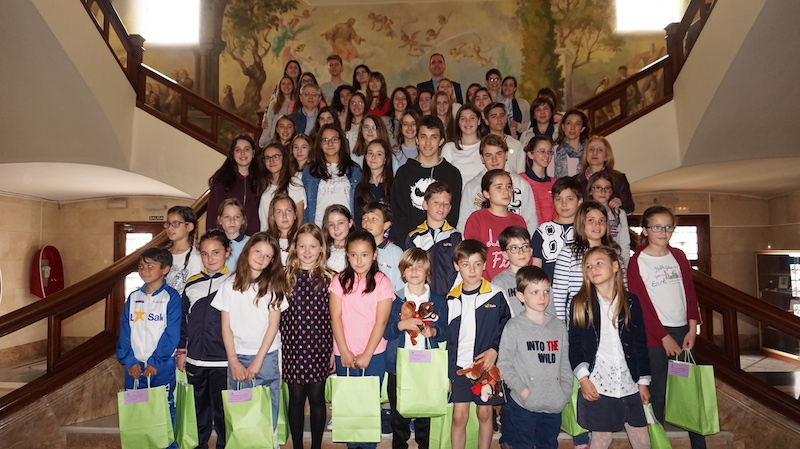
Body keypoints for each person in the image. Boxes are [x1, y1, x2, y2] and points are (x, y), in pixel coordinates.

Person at [626, 206, 706, 449]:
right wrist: (663, 337)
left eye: (668, 226)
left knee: (687, 390)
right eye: (656, 227)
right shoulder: (637, 260)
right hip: (654, 338)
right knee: (657, 394)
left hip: (683, 334)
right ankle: (658, 444)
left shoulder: (679, 256)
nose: (663, 232)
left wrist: (692, 329)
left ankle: (698, 444)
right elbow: (641, 307)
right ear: (646, 230)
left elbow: (689, 295)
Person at [569, 246, 651, 449]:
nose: (593, 269)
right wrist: (583, 379)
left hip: (629, 381)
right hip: (598, 382)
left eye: (599, 263)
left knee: (642, 439)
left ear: (615, 266)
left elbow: (640, 343)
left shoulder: (631, 302)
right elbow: (575, 345)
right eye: (588, 266)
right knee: (601, 439)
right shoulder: (581, 303)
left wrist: (643, 381)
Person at [212, 232, 289, 429]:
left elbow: (273, 326)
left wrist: (258, 360)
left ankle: (268, 441)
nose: (261, 258)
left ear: (272, 261)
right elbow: (226, 326)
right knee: (240, 409)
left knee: (267, 407)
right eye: (257, 251)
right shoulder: (230, 284)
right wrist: (233, 361)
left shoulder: (274, 286)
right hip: (237, 356)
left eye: (267, 256)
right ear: (247, 251)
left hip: (267, 355)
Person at [329, 230, 394, 449]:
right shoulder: (339, 281)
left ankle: (368, 446)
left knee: (367, 404)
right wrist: (344, 351)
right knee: (348, 403)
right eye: (354, 255)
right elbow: (335, 317)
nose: (359, 260)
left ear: (374, 255)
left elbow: (381, 322)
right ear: (347, 256)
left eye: (364, 255)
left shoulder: (382, 282)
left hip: (373, 354)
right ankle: (351, 445)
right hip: (344, 353)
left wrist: (367, 353)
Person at [497, 266, 572, 449]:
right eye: (535, 292)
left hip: (554, 404)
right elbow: (504, 364)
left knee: (548, 444)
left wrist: (564, 393)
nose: (542, 297)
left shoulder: (559, 327)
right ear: (521, 296)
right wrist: (523, 390)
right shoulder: (513, 327)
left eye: (546, 291)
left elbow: (564, 364)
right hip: (523, 405)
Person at [447, 239, 510, 449]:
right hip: (460, 369)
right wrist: (448, 374)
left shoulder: (496, 294)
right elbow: (449, 341)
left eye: (477, 263)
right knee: (458, 416)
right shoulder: (451, 298)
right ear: (457, 266)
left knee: (485, 414)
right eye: (465, 264)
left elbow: (507, 328)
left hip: (486, 368)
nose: (471, 269)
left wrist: (495, 351)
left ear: (484, 264)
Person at [117, 247, 181, 449]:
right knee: (137, 410)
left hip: (161, 366)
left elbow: (172, 333)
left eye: (150, 266)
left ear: (165, 269)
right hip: (134, 367)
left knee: (162, 409)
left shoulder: (172, 298)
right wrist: (129, 360)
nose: (144, 270)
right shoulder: (134, 297)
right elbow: (125, 330)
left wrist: (156, 361)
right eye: (141, 266)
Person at [383, 248, 447, 449]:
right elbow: (386, 332)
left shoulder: (438, 300)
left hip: (426, 365)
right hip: (399, 366)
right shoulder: (395, 299)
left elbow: (445, 331)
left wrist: (433, 332)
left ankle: (424, 445)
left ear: (427, 270)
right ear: (402, 272)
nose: (414, 270)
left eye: (419, 266)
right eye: (409, 266)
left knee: (425, 413)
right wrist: (401, 325)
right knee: (398, 414)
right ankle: (399, 445)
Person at [281, 223, 335, 449]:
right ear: (294, 248)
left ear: (321, 248)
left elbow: (335, 318)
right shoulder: (285, 277)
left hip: (320, 346)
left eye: (312, 246)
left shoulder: (331, 279)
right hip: (291, 347)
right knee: (295, 398)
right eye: (302, 246)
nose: (307, 251)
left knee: (316, 398)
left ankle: (315, 446)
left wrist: (334, 350)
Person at [177, 229, 232, 449]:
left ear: (227, 252)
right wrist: (182, 351)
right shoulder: (191, 283)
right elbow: (183, 320)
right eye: (205, 253)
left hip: (223, 360)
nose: (210, 258)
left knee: (222, 410)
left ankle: (224, 445)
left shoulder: (235, 281)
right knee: (199, 409)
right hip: (195, 360)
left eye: (216, 252)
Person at [390, 115, 462, 247]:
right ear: (417, 139)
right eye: (423, 137)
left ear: (441, 141)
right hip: (412, 249)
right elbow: (398, 215)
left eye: (433, 137)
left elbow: (452, 214)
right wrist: (410, 246)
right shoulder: (404, 173)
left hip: (442, 248)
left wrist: (440, 245)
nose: (428, 143)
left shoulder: (452, 174)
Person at [551, 201, 621, 321]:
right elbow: (558, 297)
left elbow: (622, 289)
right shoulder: (568, 253)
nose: (597, 225)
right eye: (591, 220)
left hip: (611, 319)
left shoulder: (614, 253)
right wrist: (561, 328)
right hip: (581, 319)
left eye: (602, 220)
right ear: (581, 223)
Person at [457, 134, 537, 234]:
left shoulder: (522, 184)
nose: (494, 160)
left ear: (506, 155)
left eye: (498, 154)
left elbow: (531, 223)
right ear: (482, 158)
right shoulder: (472, 186)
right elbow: (463, 225)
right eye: (488, 155)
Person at [463, 170, 528, 280]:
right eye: (498, 187)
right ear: (486, 193)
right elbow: (471, 254)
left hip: (514, 283)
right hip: (486, 284)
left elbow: (526, 253)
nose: (505, 191)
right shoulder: (477, 218)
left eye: (509, 187)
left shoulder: (518, 220)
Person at [406, 182, 462, 298]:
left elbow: (461, 269)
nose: (441, 207)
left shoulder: (456, 237)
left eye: (446, 204)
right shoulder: (414, 237)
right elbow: (409, 269)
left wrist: (453, 294)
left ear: (450, 208)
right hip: (421, 297)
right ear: (425, 204)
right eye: (436, 202)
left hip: (450, 297)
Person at [302, 125, 362, 226]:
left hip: (346, 229)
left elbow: (359, 204)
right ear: (320, 144)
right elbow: (305, 206)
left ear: (341, 142)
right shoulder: (310, 171)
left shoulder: (354, 170)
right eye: (325, 140)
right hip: (318, 228)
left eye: (334, 139)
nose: (330, 143)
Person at [207, 135, 264, 235]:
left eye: (247, 149)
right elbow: (212, 213)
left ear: (253, 153)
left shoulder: (263, 179)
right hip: (226, 237)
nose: (242, 153)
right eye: (238, 150)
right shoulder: (220, 179)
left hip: (255, 237)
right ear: (232, 154)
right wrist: (213, 237)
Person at [532, 177, 583, 281]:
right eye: (558, 199)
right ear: (553, 201)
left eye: (570, 199)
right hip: (550, 291)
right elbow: (536, 266)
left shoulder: (586, 229)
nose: (564, 204)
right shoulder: (543, 230)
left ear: (580, 201)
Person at [574, 135, 635, 213]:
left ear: (606, 156)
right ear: (586, 154)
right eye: (591, 149)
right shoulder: (575, 181)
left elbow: (630, 207)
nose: (594, 153)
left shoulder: (618, 179)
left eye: (600, 150)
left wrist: (621, 202)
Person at [587, 172, 630, 267]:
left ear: (611, 191)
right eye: (598, 188)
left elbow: (624, 243)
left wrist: (623, 266)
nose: (603, 192)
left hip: (614, 262)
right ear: (590, 191)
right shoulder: (584, 213)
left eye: (607, 188)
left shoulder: (619, 214)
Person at [258, 142, 306, 229]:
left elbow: (299, 217)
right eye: (267, 158)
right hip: (267, 238)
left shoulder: (294, 184)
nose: (271, 161)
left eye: (276, 156)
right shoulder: (264, 184)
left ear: (284, 158)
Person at [491, 225, 533, 317]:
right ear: (505, 254)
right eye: (514, 248)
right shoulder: (499, 282)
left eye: (525, 246)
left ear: (531, 250)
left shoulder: (540, 277)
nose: (521, 252)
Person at [361, 202, 403, 291]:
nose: (368, 222)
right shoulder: (357, 249)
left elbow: (401, 285)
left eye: (374, 219)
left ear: (386, 225)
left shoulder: (395, 252)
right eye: (364, 219)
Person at [441, 104, 485, 187]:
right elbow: (444, 179)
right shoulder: (449, 147)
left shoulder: (486, 146)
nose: (467, 122)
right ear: (458, 123)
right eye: (463, 118)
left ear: (479, 121)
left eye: (472, 118)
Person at [164, 206, 203, 296]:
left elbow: (195, 292)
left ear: (189, 227)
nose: (170, 228)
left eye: (176, 224)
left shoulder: (196, 257)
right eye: (168, 224)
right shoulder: (163, 254)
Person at [354, 139, 394, 226]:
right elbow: (358, 220)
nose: (373, 157)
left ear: (385, 159)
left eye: (379, 154)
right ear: (365, 157)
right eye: (370, 153)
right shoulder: (360, 188)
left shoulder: (395, 186)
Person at [520, 135, 558, 224]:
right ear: (530, 154)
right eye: (542, 151)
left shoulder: (555, 183)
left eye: (549, 152)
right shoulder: (521, 180)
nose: (547, 155)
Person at [483, 102, 524, 174]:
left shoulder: (516, 145)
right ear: (487, 121)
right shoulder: (482, 145)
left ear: (506, 119)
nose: (499, 119)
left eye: (502, 115)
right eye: (494, 116)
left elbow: (521, 173)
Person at [551, 109, 589, 179]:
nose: (572, 128)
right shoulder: (553, 151)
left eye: (577, 124)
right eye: (568, 123)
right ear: (563, 127)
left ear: (582, 128)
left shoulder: (589, 152)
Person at [216, 198, 250, 272]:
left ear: (243, 220)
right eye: (227, 217)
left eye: (237, 217)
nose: (232, 221)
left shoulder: (251, 243)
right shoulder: (215, 243)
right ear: (220, 220)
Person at [261, 76, 296, 148]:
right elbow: (268, 124)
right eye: (283, 84)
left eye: (289, 84)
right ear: (279, 86)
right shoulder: (273, 104)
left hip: (291, 143)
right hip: (274, 141)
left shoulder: (297, 105)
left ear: (293, 86)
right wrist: (265, 141)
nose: (286, 86)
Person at [265, 194, 298, 266]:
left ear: (295, 214)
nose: (284, 216)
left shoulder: (302, 238)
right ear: (273, 216)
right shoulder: (266, 240)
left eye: (288, 211)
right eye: (279, 212)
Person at [323, 204, 354, 273]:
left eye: (340, 223)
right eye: (331, 224)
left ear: (350, 223)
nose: (336, 228)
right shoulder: (323, 248)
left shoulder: (356, 248)